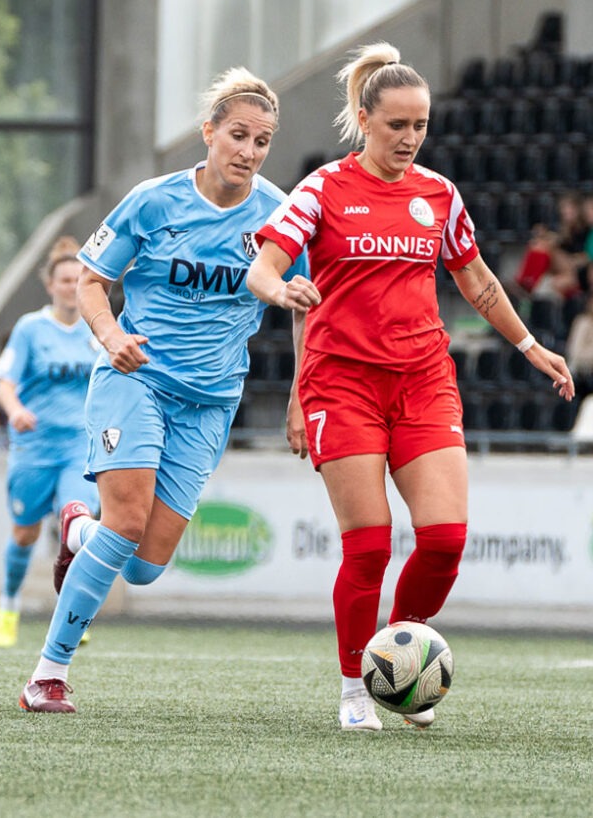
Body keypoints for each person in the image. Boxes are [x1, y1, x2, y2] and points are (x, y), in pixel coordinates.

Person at [246, 43, 575, 731]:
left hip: (424, 380)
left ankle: (398, 657)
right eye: (397, 125)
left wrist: (530, 344)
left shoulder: (439, 194)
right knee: (368, 544)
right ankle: (353, 689)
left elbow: (477, 279)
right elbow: (265, 267)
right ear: (365, 119)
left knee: (446, 539)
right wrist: (282, 290)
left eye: (420, 125)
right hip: (343, 383)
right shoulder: (324, 190)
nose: (410, 138)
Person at [18, 68, 308, 713]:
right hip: (135, 378)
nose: (249, 152)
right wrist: (108, 334)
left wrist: (299, 395)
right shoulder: (153, 201)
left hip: (211, 401)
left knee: (146, 565)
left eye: (262, 141)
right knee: (125, 523)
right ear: (208, 133)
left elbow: (304, 305)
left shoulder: (280, 217)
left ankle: (76, 532)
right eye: (238, 135)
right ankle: (48, 675)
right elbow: (92, 281)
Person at [0, 237, 101, 648]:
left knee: (77, 527)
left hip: (80, 450)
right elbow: (4, 383)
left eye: (78, 279)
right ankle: (9, 604)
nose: (72, 286)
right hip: (34, 448)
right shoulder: (31, 329)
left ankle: (73, 617)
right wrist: (15, 410)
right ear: (51, 285)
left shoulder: (98, 325)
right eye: (65, 280)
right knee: (25, 534)